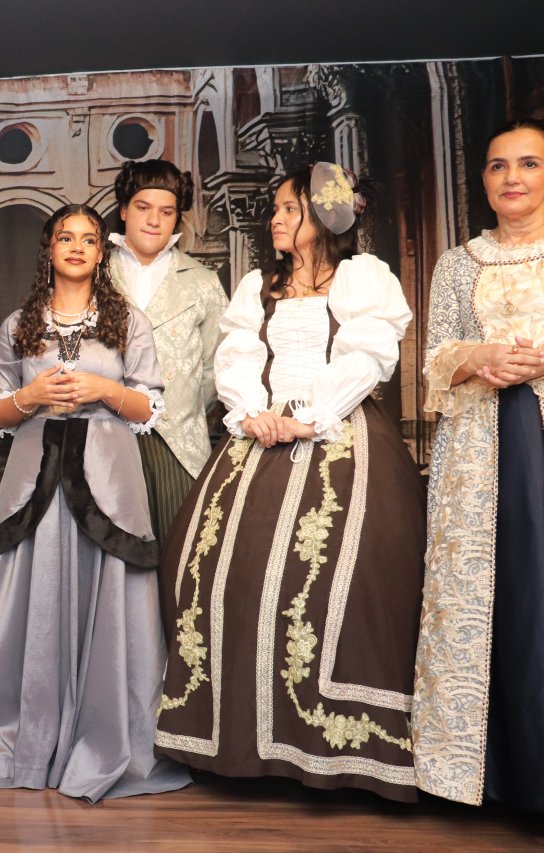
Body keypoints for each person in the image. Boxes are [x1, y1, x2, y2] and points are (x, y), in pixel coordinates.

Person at [154, 163, 425, 802]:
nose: (275, 219)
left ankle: (329, 748)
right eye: (275, 209)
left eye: (288, 208)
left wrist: (310, 416)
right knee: (223, 572)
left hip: (338, 432)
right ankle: (240, 743)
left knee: (339, 580)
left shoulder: (362, 278)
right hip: (262, 435)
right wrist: (253, 412)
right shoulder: (258, 285)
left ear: (324, 215)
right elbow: (237, 357)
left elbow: (368, 355)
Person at [0, 204, 191, 801]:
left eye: (89, 239)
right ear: (50, 249)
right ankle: (29, 735)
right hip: (36, 482)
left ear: (100, 252)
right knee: (33, 599)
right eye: (65, 237)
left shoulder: (129, 322)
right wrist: (33, 395)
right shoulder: (20, 325)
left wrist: (105, 389)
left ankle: (107, 738)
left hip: (108, 480)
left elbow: (149, 409)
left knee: (113, 597)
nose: (77, 246)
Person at [414, 118, 544, 811]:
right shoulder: (458, 262)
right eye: (498, 165)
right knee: (493, 598)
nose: (511, 177)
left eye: (528, 163)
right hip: (478, 454)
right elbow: (434, 358)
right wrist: (480, 356)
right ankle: (482, 775)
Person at [108, 160, 228, 545]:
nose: (153, 221)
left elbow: (216, 366)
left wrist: (178, 405)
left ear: (178, 218)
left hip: (177, 442)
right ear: (124, 210)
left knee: (176, 555)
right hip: (103, 437)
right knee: (111, 556)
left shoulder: (204, 283)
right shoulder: (95, 275)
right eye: (143, 208)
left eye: (166, 212)